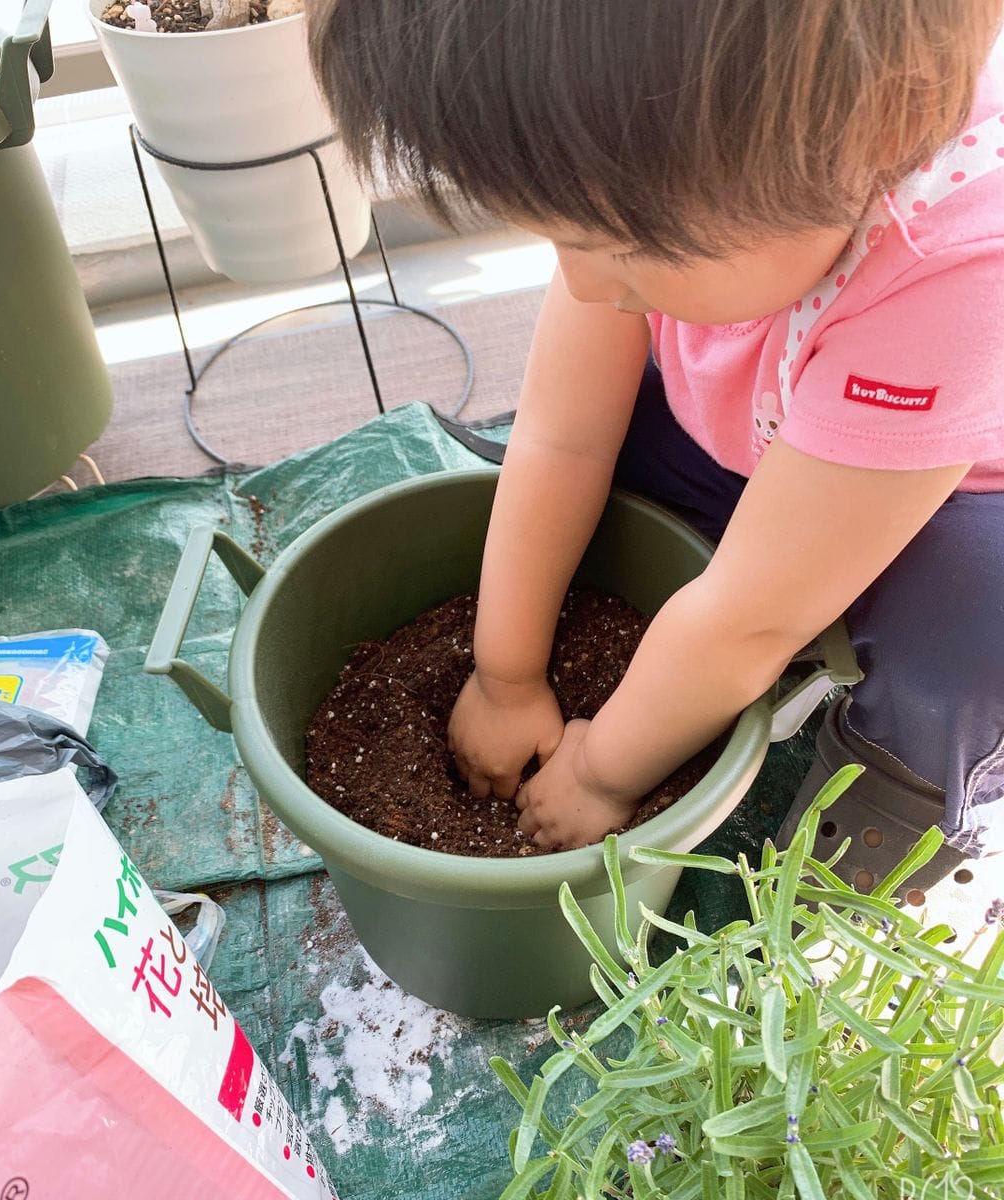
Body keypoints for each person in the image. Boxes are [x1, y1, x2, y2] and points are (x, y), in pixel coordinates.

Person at [309, 1, 1004, 938]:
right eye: (551, 235)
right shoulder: (656, 169)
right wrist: (506, 675)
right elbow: (560, 437)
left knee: (970, 642)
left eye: (615, 248)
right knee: (601, 470)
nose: (583, 283)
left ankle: (898, 805)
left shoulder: (957, 264)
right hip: (760, 402)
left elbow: (748, 617)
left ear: (867, 142)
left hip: (948, 491)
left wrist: (602, 772)